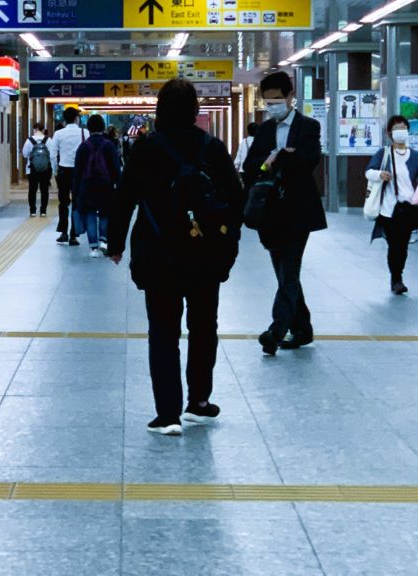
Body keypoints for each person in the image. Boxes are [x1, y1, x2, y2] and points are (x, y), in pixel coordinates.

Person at [108, 79, 245, 436]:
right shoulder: (212, 148)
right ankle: (199, 402)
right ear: (195, 109)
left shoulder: (145, 149)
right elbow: (235, 198)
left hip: (158, 255)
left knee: (163, 332)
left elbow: (124, 198)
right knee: (203, 328)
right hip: (204, 255)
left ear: (160, 109)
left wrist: (115, 242)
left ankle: (167, 414)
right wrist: (229, 246)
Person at [242, 71, 327, 356]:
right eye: (268, 101)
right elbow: (252, 166)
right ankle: (302, 329)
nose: (273, 105)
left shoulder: (309, 127)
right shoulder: (264, 131)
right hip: (270, 212)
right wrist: (272, 161)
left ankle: (275, 331)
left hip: (298, 211)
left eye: (277, 100)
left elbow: (309, 160)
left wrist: (281, 159)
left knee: (289, 270)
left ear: (291, 97)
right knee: (284, 273)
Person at [365, 115, 418, 296]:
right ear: (390, 133)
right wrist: (380, 174)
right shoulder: (384, 154)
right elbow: (369, 172)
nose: (401, 131)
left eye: (403, 127)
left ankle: (398, 274)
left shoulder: (414, 155)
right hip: (389, 209)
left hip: (409, 207)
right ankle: (396, 278)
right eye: (396, 128)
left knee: (402, 245)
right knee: (394, 244)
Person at [74, 115, 122, 258]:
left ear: (88, 128)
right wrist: (118, 185)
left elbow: (78, 170)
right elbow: (116, 168)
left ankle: (93, 247)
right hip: (106, 186)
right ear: (103, 127)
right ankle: (103, 240)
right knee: (105, 214)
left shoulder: (83, 146)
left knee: (89, 214)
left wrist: (75, 189)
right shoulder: (109, 145)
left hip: (87, 186)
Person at [53, 107, 89, 245]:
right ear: (76, 118)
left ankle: (63, 232)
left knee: (63, 202)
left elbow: (53, 154)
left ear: (65, 119)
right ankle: (74, 234)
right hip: (79, 172)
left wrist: (56, 170)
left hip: (63, 171)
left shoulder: (58, 134)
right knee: (77, 202)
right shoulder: (84, 132)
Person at [22, 122, 57, 217]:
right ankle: (43, 211)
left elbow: (24, 154)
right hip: (46, 169)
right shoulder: (48, 140)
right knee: (44, 190)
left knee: (32, 190)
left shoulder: (29, 140)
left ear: (35, 129)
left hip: (32, 169)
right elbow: (53, 155)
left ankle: (32, 211)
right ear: (43, 130)